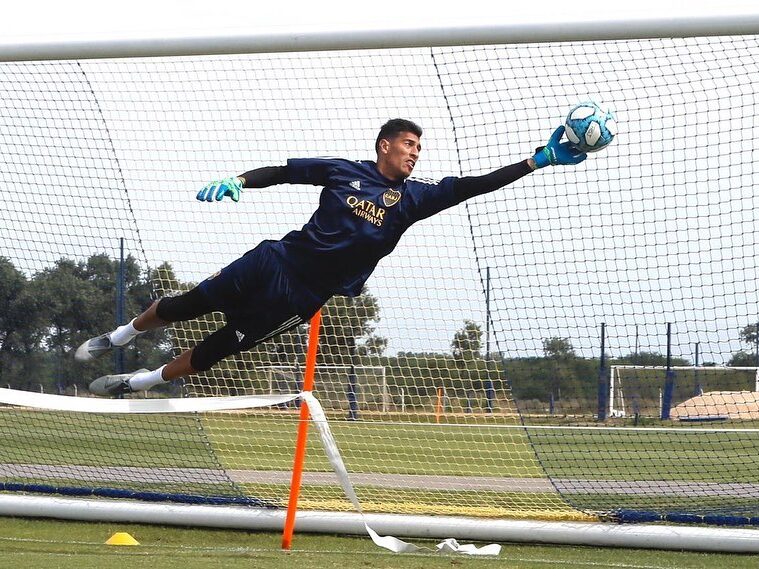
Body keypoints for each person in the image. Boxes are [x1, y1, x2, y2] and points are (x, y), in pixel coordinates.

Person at [76, 118, 586, 396]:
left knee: (219, 349)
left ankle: (137, 382)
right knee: (187, 304)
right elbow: (284, 170)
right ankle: (118, 336)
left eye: (419, 149)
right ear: (384, 145)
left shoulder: (416, 198)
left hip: (303, 296)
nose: (414, 154)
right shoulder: (344, 170)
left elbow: (475, 186)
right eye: (408, 145)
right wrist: (238, 180)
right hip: (274, 261)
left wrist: (536, 161)